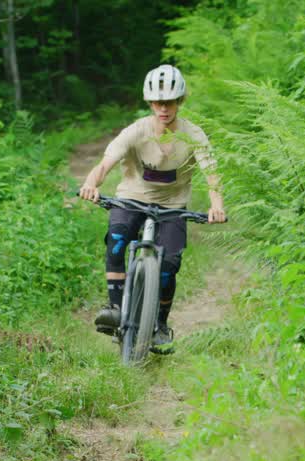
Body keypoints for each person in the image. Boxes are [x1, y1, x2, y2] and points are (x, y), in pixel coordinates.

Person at [78, 64, 226, 350]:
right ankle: (116, 307)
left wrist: (216, 205)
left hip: (173, 205)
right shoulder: (136, 131)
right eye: (158, 102)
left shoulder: (194, 135)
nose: (163, 108)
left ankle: (158, 324)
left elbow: (212, 172)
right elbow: (106, 162)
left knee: (170, 265)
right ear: (149, 102)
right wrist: (90, 183)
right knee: (117, 241)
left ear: (179, 102)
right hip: (132, 197)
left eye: (169, 102)